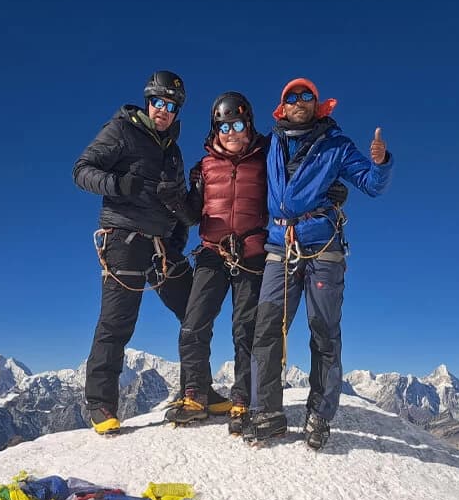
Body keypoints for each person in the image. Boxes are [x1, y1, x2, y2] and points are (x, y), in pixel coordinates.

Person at [245, 77, 393, 449]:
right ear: (282, 107)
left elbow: (371, 184)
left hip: (322, 245)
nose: (299, 101)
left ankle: (319, 415)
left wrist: (380, 163)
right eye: (291, 96)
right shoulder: (270, 144)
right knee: (266, 328)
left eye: (306, 95)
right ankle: (266, 413)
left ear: (317, 103)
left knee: (323, 330)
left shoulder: (335, 144)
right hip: (280, 245)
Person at [72, 70, 218, 435]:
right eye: (158, 102)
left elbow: (184, 210)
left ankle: (199, 389)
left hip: (162, 245)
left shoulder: (174, 153)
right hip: (123, 238)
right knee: (117, 321)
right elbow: (81, 170)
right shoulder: (121, 131)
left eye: (171, 106)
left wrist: (185, 217)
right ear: (147, 101)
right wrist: (118, 184)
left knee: (195, 311)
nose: (163, 111)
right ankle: (101, 404)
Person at [163, 92, 269, 431]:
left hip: (252, 254)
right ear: (215, 129)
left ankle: (243, 400)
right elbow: (193, 215)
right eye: (224, 127)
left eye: (238, 125)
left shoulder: (266, 159)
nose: (232, 133)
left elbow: (290, 185)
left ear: (249, 125)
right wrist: (175, 201)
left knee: (245, 329)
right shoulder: (205, 167)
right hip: (213, 252)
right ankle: (195, 396)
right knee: (194, 323)